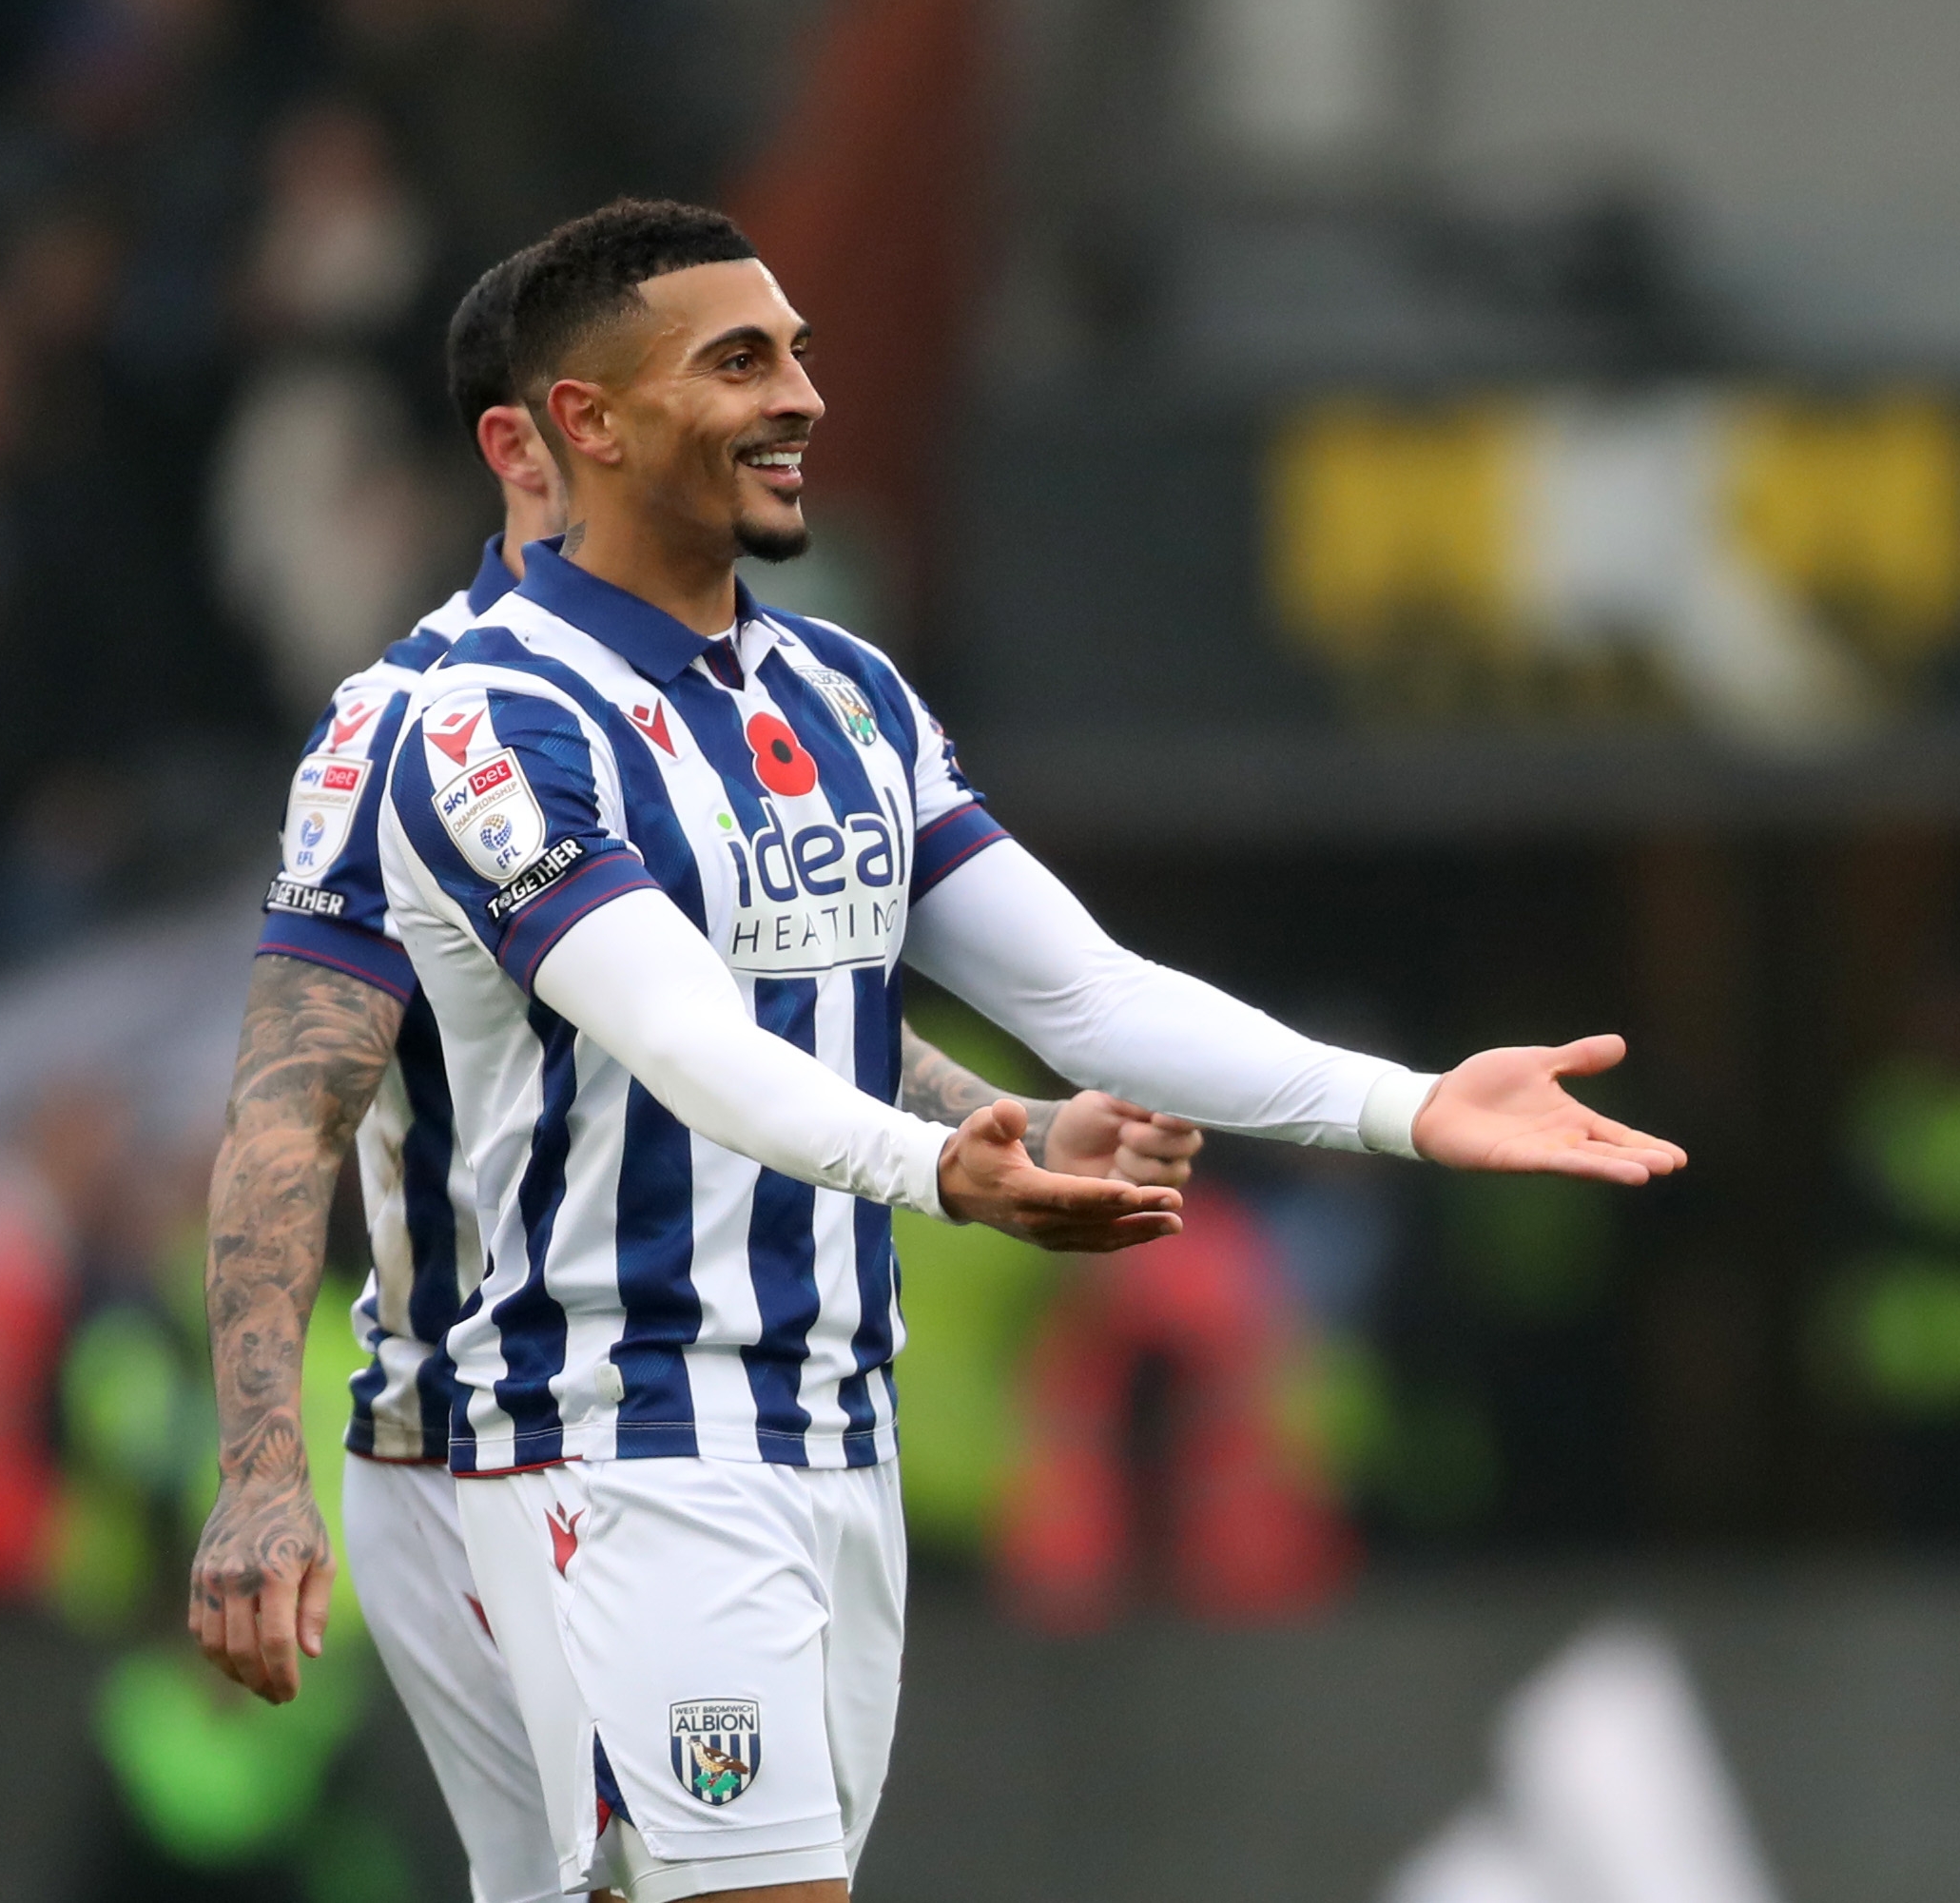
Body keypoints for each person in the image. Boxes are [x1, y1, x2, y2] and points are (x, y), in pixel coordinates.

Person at [203, 199, 1682, 1903]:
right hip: (601, 1432)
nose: (805, 398)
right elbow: (661, 1048)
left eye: (801, 354)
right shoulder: (465, 727)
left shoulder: (843, 696)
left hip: (833, 1425)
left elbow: (1081, 993)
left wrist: (1409, 1107)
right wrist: (950, 1177)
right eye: (740, 359)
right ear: (568, 428)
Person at [195, 242, 1202, 1903]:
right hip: (510, 1427)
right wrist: (254, 1474)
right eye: (721, 377)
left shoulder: (756, 687)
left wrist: (984, 1124)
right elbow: (293, 1099)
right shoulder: (427, 726)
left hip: (783, 1414)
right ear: (537, 443)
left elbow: (754, 1012)